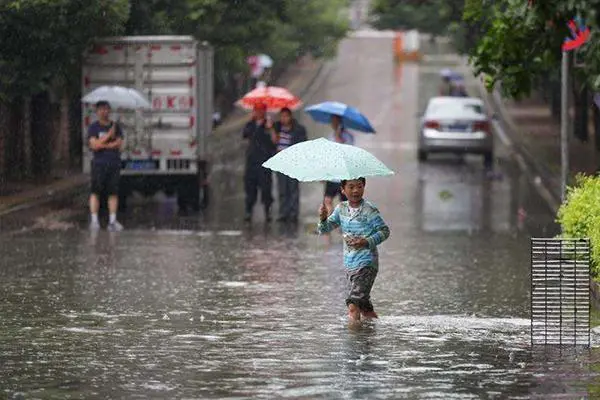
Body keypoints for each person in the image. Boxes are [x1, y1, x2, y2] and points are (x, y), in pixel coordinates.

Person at [317, 177, 390, 323]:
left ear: (364, 187)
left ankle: (354, 342)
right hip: (350, 264)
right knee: (364, 308)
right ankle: (374, 327)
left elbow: (384, 231)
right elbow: (324, 229)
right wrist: (323, 218)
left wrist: (366, 241)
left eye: (359, 186)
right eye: (351, 187)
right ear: (343, 190)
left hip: (367, 263)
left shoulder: (369, 210)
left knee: (353, 304)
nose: (356, 190)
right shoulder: (341, 209)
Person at [88, 101, 124, 231]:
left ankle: (113, 221)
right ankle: (94, 221)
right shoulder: (94, 127)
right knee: (95, 192)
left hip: (114, 163)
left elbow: (119, 144)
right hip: (99, 164)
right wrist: (108, 136)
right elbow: (94, 145)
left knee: (113, 193)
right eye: (101, 109)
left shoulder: (116, 127)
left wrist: (102, 144)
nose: (104, 111)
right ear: (97, 112)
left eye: (107, 109)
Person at [269, 107, 308, 223]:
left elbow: (303, 145)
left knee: (293, 188)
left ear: (291, 117)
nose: (284, 119)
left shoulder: (298, 129)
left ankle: (293, 213)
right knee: (282, 188)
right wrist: (271, 130)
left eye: (286, 116)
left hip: (293, 163)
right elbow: (273, 143)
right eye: (282, 116)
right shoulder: (276, 128)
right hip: (280, 163)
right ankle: (283, 212)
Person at [242, 103, 276, 222]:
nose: (258, 112)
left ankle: (268, 211)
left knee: (266, 188)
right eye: (256, 110)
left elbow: (274, 141)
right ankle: (248, 211)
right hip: (252, 161)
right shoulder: (250, 124)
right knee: (250, 188)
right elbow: (245, 135)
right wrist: (251, 121)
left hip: (265, 161)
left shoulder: (269, 125)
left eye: (261, 110)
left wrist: (270, 128)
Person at [323, 115, 354, 214]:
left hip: (343, 177)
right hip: (332, 176)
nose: (333, 124)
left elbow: (347, 152)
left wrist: (339, 136)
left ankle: (345, 223)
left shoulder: (348, 136)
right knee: (327, 200)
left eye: (335, 121)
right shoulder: (330, 136)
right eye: (332, 121)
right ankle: (328, 223)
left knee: (344, 203)